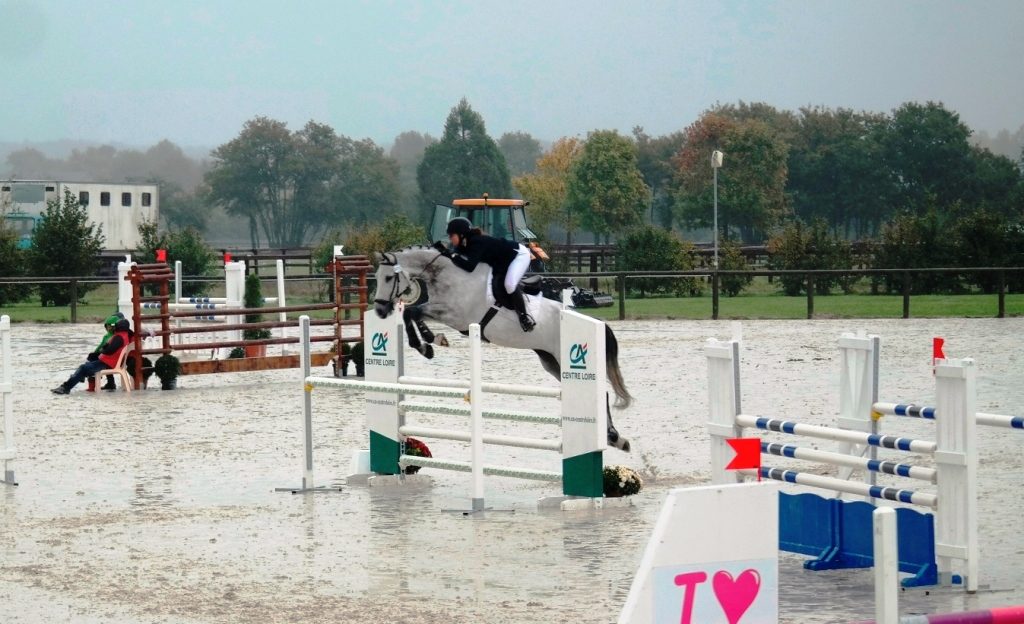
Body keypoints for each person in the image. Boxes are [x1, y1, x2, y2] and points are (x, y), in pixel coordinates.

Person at [437, 217, 535, 332]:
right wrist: (443, 252)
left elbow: (469, 267)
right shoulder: (466, 244)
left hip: (518, 255)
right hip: (501, 262)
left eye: (451, 235)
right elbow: (455, 255)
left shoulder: (476, 242)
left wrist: (449, 254)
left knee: (509, 284)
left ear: (461, 234)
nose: (450, 239)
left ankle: (524, 317)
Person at [52, 318, 133, 395]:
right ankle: (75, 379)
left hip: (107, 363)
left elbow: (110, 350)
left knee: (83, 368)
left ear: (118, 327)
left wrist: (103, 350)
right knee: (85, 366)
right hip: (111, 362)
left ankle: (66, 387)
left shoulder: (119, 337)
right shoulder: (124, 335)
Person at [90, 313, 124, 391]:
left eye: (110, 326)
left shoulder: (117, 336)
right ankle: (110, 383)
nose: (109, 328)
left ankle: (94, 376)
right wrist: (95, 352)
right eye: (107, 326)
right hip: (108, 357)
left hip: (112, 359)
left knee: (98, 363)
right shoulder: (107, 336)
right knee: (93, 358)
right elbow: (100, 346)